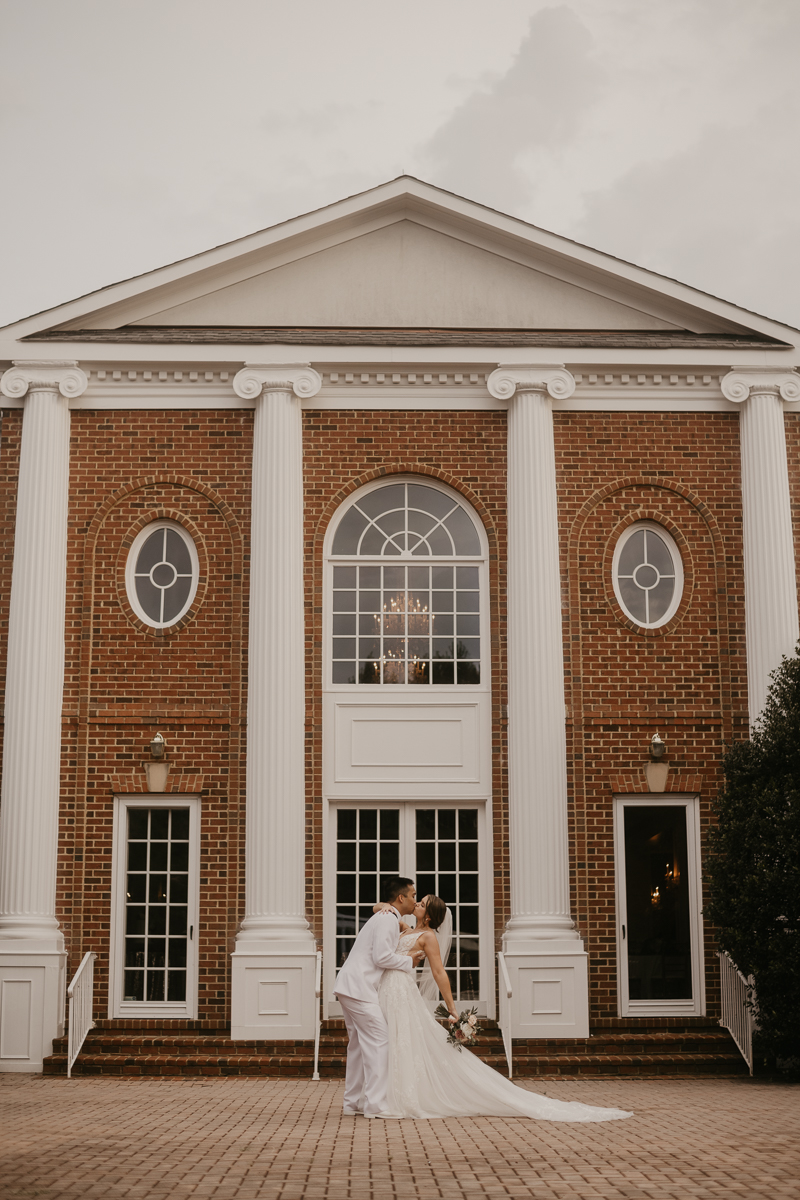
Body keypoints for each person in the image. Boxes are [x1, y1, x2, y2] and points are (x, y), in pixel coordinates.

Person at [377, 894, 633, 1122]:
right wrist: (386, 907)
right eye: (417, 901)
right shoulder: (407, 928)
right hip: (391, 991)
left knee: (405, 1040)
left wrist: (452, 1008)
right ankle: (392, 1093)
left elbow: (439, 973)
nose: (416, 904)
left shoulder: (427, 937)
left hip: (403, 992)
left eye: (421, 904)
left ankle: (403, 1097)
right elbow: (378, 908)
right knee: (397, 1040)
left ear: (430, 915)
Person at [334, 876, 425, 1118]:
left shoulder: (385, 917)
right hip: (359, 988)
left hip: (350, 986)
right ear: (401, 898)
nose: (415, 899)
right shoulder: (387, 919)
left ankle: (352, 1103)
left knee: (357, 1046)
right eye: (413, 895)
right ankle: (376, 1105)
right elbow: (382, 958)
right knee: (379, 1040)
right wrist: (410, 961)